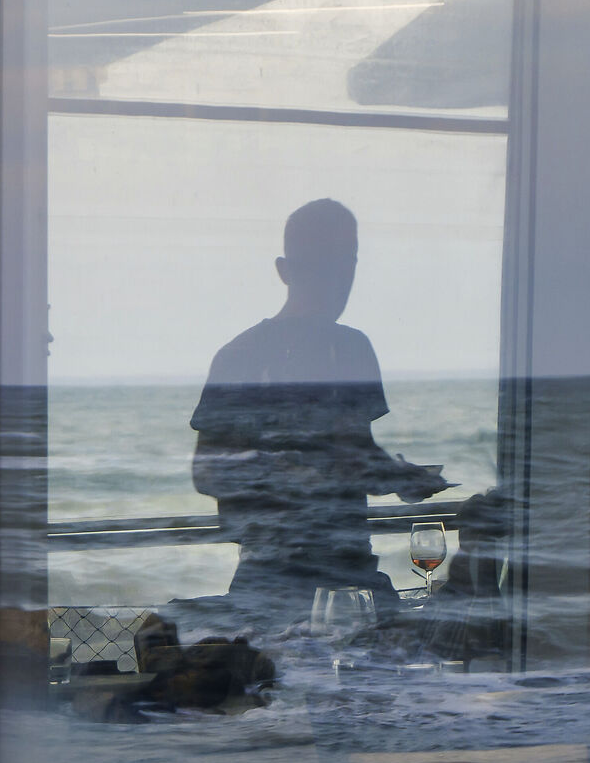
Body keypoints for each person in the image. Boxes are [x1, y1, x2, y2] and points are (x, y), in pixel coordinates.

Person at [191, 198, 450, 624]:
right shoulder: (240, 357)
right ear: (284, 270)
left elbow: (357, 453)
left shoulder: (353, 349)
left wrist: (399, 476)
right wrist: (305, 469)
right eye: (322, 267)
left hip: (352, 571)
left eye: (346, 264)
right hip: (271, 581)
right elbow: (208, 473)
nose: (338, 281)